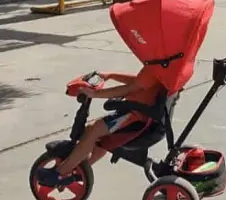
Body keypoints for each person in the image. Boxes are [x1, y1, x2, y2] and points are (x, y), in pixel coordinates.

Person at [35, 67, 164, 187]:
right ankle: (81, 168)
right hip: (138, 111)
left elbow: (130, 88)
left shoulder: (156, 65)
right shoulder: (162, 65)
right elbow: (138, 81)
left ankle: (60, 174)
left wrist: (95, 94)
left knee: (95, 130)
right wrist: (111, 75)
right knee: (92, 130)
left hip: (135, 117)